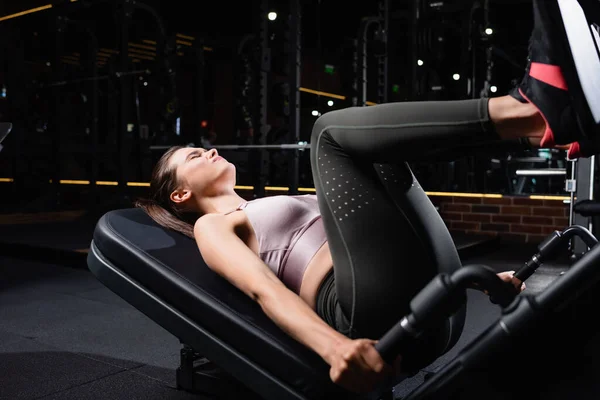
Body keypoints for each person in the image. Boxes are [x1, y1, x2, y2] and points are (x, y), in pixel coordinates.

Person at [134, 0, 598, 394]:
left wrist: (480, 279)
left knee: (381, 153)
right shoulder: (211, 226)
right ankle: (533, 113)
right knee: (328, 134)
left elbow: (384, 238)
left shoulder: (256, 207)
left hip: (435, 308)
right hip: (362, 315)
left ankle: (551, 125)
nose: (209, 149)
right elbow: (263, 290)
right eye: (195, 154)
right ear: (180, 193)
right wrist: (336, 349)